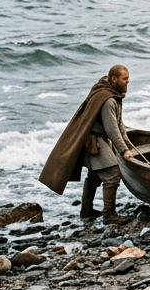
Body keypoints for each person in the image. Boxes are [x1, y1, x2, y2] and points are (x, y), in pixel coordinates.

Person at [39, 64, 135, 225]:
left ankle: (86, 210)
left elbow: (119, 124)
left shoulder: (110, 94)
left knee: (95, 175)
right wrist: (124, 150)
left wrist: (128, 143)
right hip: (93, 141)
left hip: (97, 138)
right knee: (112, 175)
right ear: (114, 79)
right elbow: (112, 129)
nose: (127, 82)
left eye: (128, 79)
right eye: (125, 79)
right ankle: (109, 215)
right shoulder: (108, 99)